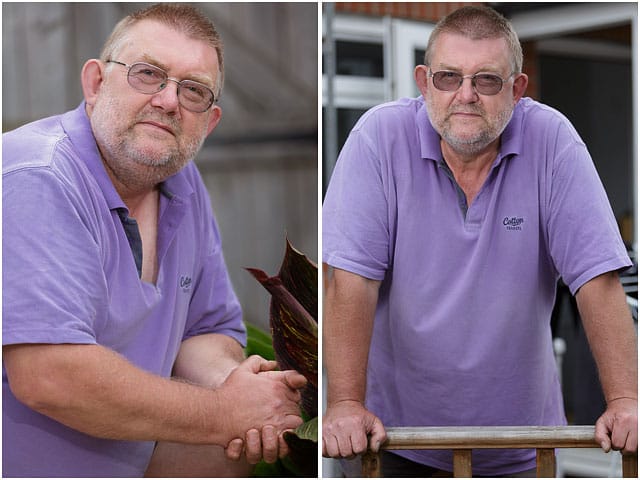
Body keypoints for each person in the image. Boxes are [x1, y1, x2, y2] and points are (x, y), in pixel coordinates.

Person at [322, 5, 637, 477]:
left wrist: (626, 400)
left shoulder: (551, 140)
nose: (465, 95)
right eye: (449, 78)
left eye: (486, 80)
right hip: (396, 445)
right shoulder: (379, 139)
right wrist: (345, 402)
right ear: (424, 82)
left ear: (516, 89)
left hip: (523, 450)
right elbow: (349, 282)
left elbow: (597, 280)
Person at [2, 4, 307, 477]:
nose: (169, 101)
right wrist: (224, 413)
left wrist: (241, 389)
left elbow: (202, 331)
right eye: (149, 74)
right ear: (96, 83)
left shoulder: (183, 184)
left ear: (210, 121)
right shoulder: (38, 176)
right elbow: (49, 375)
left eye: (194, 91)